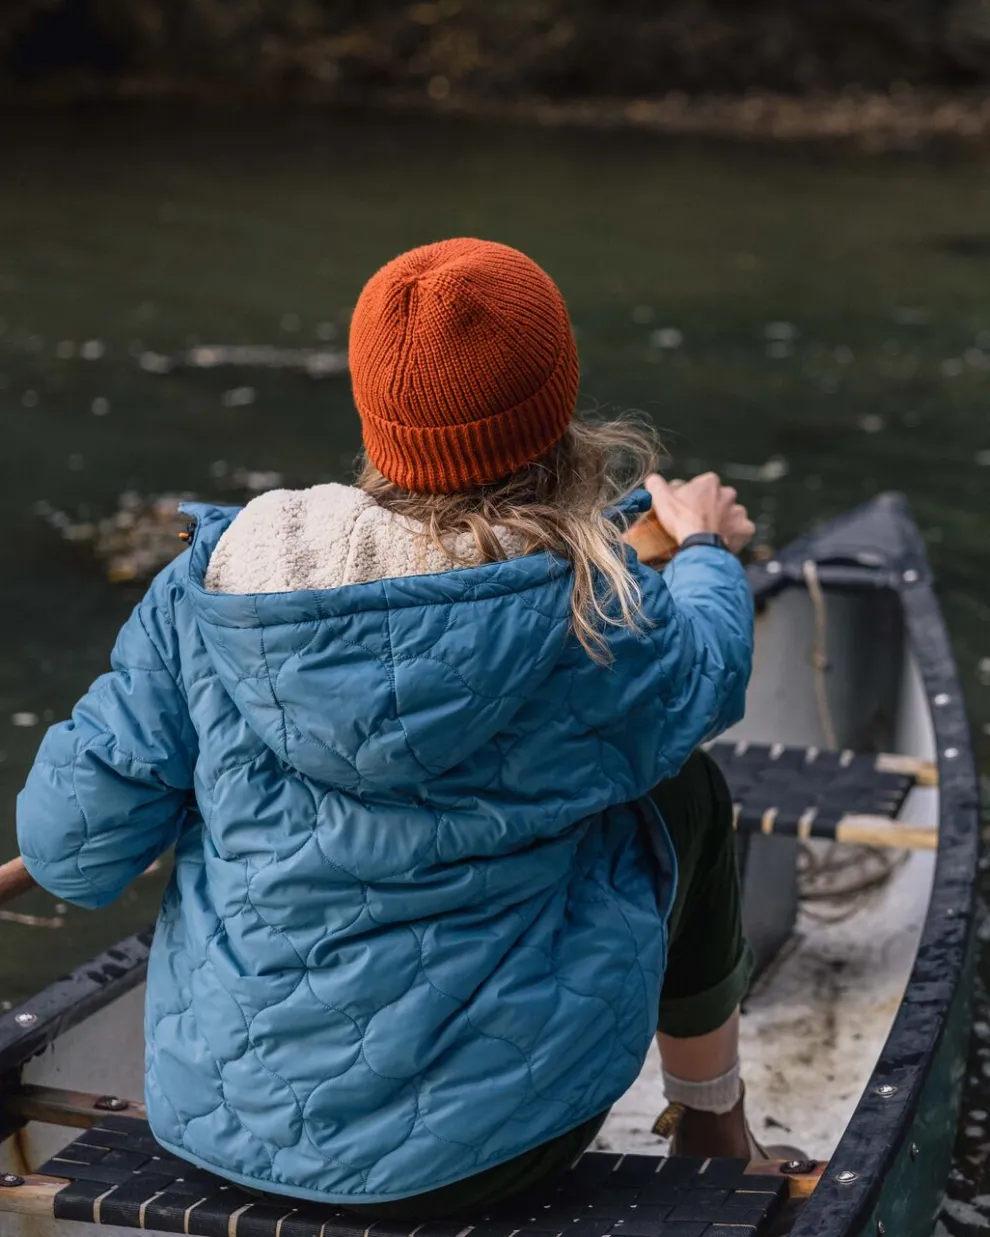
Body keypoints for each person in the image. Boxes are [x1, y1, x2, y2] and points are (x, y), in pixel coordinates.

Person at [17, 238, 758, 1217]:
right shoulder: (596, 618)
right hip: (495, 1151)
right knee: (680, 785)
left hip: (213, 1126)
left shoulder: (213, 587)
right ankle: (711, 1114)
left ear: (376, 412)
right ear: (558, 405)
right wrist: (703, 546)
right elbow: (712, 669)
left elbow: (74, 855)